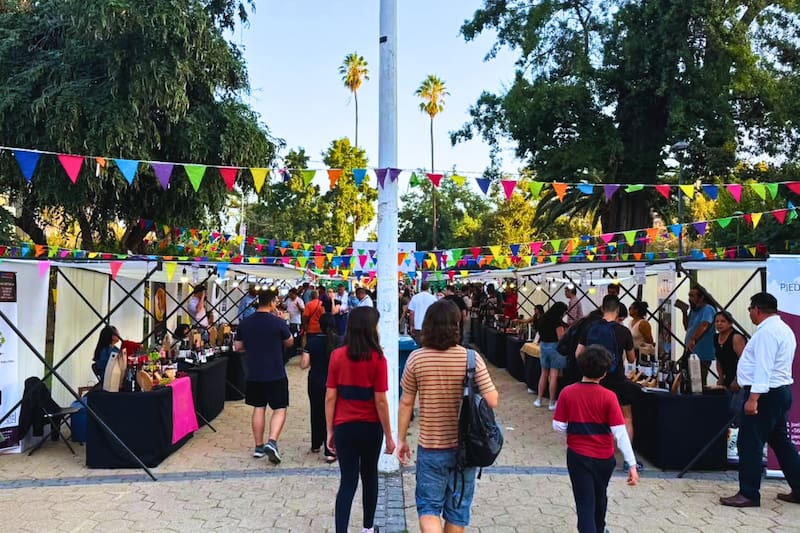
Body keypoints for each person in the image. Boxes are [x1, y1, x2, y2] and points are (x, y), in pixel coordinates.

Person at [398, 300, 498, 533]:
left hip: (431, 447)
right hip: (466, 448)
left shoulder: (416, 358)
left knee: (429, 508)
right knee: (457, 511)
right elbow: (492, 400)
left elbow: (406, 402)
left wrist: (401, 439)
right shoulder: (471, 359)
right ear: (457, 324)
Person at [720, 292, 800, 507]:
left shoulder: (767, 333)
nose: (749, 313)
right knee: (781, 443)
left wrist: (753, 398)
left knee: (750, 443)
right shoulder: (783, 329)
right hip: (779, 392)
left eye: (750, 309)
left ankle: (749, 493)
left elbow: (763, 368)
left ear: (756, 309)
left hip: (765, 394)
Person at [553, 345, 639, 533]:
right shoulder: (609, 397)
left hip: (578, 455)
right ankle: (600, 528)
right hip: (604, 457)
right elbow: (620, 432)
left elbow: (558, 425)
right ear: (605, 372)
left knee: (584, 503)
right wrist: (631, 463)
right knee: (600, 496)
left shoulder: (568, 392)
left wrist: (572, 427)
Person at [325, 307, 395, 533]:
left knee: (347, 481)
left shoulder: (337, 356)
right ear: (370, 329)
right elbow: (381, 401)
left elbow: (330, 397)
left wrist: (330, 430)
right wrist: (389, 435)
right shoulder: (378, 358)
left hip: (344, 426)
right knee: (369, 476)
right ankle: (367, 529)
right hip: (370, 427)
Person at [576, 295, 638, 469]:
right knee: (626, 417)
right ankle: (627, 460)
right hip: (617, 380)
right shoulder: (623, 331)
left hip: (594, 380)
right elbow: (632, 359)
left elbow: (578, 354)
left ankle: (595, 454)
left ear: (602, 309)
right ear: (618, 310)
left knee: (595, 417)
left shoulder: (589, 328)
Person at [234, 289, 293, 464]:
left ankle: (258, 447)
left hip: (254, 372)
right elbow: (290, 342)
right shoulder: (278, 322)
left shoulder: (246, 322)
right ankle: (272, 441)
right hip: (275, 371)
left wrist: (252, 347)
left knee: (258, 408)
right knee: (279, 408)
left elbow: (237, 347)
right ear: (273, 302)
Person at [302, 312, 340, 462]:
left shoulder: (312, 342)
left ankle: (316, 444)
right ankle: (331, 449)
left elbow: (304, 364)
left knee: (316, 411)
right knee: (334, 413)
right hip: (335, 382)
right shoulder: (340, 341)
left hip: (316, 380)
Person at [676, 285, 716, 385]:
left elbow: (704, 325)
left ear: (701, 297)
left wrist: (693, 339)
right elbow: (687, 327)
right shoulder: (694, 310)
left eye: (692, 296)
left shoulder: (708, 309)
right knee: (688, 381)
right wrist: (684, 312)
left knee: (698, 383)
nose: (689, 299)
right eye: (689, 296)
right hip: (691, 351)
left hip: (701, 353)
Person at [535, 302, 569, 411]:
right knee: (553, 376)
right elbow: (561, 338)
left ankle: (539, 399)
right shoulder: (557, 322)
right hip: (555, 348)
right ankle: (552, 402)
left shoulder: (543, 318)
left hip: (543, 347)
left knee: (543, 374)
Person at [713, 311, 746, 389]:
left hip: (740, 378)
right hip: (727, 378)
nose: (719, 324)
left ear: (730, 323)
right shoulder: (715, 337)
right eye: (717, 321)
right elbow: (718, 359)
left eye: (723, 321)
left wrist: (737, 379)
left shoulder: (736, 337)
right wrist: (720, 378)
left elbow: (743, 360)